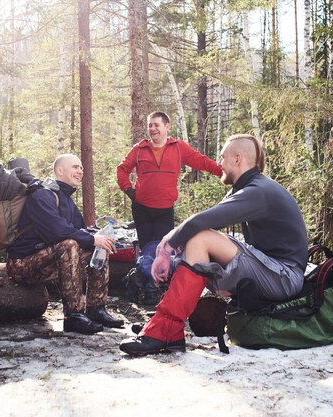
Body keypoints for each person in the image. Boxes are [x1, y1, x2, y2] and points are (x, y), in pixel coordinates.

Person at [119, 134, 308, 355]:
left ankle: (166, 327)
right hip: (270, 270)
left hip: (284, 276)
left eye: (222, 156)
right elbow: (203, 221)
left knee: (201, 238)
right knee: (196, 238)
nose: (218, 163)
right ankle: (167, 326)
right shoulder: (246, 188)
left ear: (238, 158)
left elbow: (202, 223)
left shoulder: (259, 191)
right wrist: (169, 247)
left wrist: (167, 247)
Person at [7, 153, 124, 335]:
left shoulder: (66, 199)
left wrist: (100, 238)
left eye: (81, 168)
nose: (80, 171)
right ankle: (74, 316)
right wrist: (92, 239)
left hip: (48, 262)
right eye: (75, 167)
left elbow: (80, 231)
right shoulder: (42, 194)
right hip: (22, 265)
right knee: (69, 244)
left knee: (100, 247)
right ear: (60, 170)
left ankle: (96, 309)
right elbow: (57, 231)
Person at [116, 111, 223, 249]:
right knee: (146, 248)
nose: (152, 129)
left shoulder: (178, 147)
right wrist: (128, 189)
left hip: (165, 210)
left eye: (156, 125)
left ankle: (161, 271)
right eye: (150, 126)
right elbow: (121, 169)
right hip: (141, 209)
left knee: (164, 248)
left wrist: (223, 172)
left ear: (167, 126)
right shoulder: (139, 149)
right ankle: (144, 269)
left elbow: (201, 161)